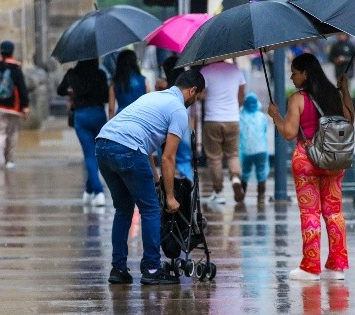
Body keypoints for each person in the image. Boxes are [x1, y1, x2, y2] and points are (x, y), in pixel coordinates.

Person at [95, 69, 205, 285]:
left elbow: (149, 149)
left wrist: (156, 182)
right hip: (127, 149)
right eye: (198, 96)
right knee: (151, 209)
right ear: (192, 90)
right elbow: (168, 158)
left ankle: (118, 269)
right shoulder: (178, 111)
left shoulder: (153, 97)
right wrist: (171, 197)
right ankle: (152, 269)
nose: (196, 101)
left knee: (123, 209)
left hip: (103, 145)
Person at [266, 53, 354, 281]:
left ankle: (310, 266)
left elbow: (288, 133)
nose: (291, 77)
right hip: (334, 161)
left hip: (307, 160)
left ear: (305, 73)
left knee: (310, 213)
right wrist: (344, 90)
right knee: (334, 212)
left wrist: (276, 116)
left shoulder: (297, 99)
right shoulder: (333, 95)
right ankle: (337, 267)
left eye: (294, 73)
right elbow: (349, 120)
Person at [57, 58, 108, 207]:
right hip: (98, 114)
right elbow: (105, 97)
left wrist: (72, 92)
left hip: (81, 115)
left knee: (89, 154)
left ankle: (92, 189)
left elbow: (60, 90)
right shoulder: (100, 74)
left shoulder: (72, 74)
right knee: (98, 153)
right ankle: (97, 190)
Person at [200, 60, 246, 204]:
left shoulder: (205, 71)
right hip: (232, 119)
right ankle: (236, 179)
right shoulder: (236, 70)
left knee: (214, 158)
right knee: (233, 154)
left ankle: (218, 192)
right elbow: (241, 95)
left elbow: (200, 95)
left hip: (212, 119)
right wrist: (234, 108)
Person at [0, 40, 30, 170]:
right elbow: (21, 88)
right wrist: (25, 106)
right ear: (12, 51)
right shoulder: (16, 67)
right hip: (12, 107)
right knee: (12, 133)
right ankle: (10, 160)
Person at [239, 92, 270, 206]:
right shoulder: (262, 117)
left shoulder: (240, 116)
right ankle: (261, 197)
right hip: (261, 149)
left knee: (245, 173)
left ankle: (241, 196)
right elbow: (264, 130)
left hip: (246, 151)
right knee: (261, 173)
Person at [108, 50, 149, 119]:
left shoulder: (115, 82)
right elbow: (148, 103)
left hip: (121, 117)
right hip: (140, 116)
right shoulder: (144, 80)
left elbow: (111, 109)